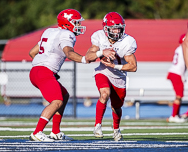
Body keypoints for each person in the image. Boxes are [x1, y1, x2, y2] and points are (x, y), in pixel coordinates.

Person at [28, 9, 88, 141]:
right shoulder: (67, 34)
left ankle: (55, 131)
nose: (78, 25)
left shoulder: (49, 31)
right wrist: (84, 59)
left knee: (64, 95)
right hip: (44, 72)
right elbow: (69, 54)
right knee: (57, 101)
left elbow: (32, 52)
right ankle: (37, 132)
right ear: (68, 23)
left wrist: (43, 67)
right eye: (76, 22)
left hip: (36, 71)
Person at [85, 12, 137, 141]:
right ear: (105, 28)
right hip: (103, 71)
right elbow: (88, 57)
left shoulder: (127, 41)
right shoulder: (99, 37)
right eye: (113, 28)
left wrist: (115, 66)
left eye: (119, 28)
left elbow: (133, 66)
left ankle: (116, 129)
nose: (116, 31)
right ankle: (97, 125)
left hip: (119, 76)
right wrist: (101, 52)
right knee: (104, 94)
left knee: (117, 106)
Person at [167, 34, 187, 123]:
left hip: (174, 72)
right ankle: (174, 116)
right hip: (177, 74)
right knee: (179, 96)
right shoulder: (184, 49)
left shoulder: (178, 48)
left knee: (179, 95)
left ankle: (176, 115)